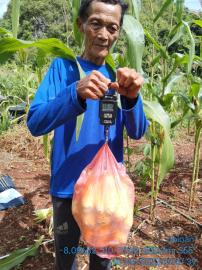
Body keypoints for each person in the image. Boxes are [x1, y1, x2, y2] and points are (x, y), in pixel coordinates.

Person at [27, 0, 149, 269]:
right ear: (80, 25)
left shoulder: (119, 78)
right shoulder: (62, 69)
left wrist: (131, 99)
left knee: (102, 263)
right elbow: (35, 122)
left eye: (112, 27)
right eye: (96, 23)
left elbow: (139, 131)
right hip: (67, 189)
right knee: (66, 260)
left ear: (117, 33)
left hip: (107, 192)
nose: (104, 34)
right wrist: (74, 92)